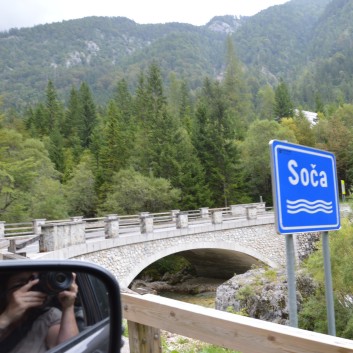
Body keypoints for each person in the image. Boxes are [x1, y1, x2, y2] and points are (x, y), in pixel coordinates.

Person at [0, 271, 79, 353]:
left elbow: (71, 349)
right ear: (4, 289)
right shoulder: (3, 315)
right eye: (21, 283)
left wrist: (68, 307)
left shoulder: (49, 316)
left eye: (35, 281)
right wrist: (7, 317)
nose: (31, 287)